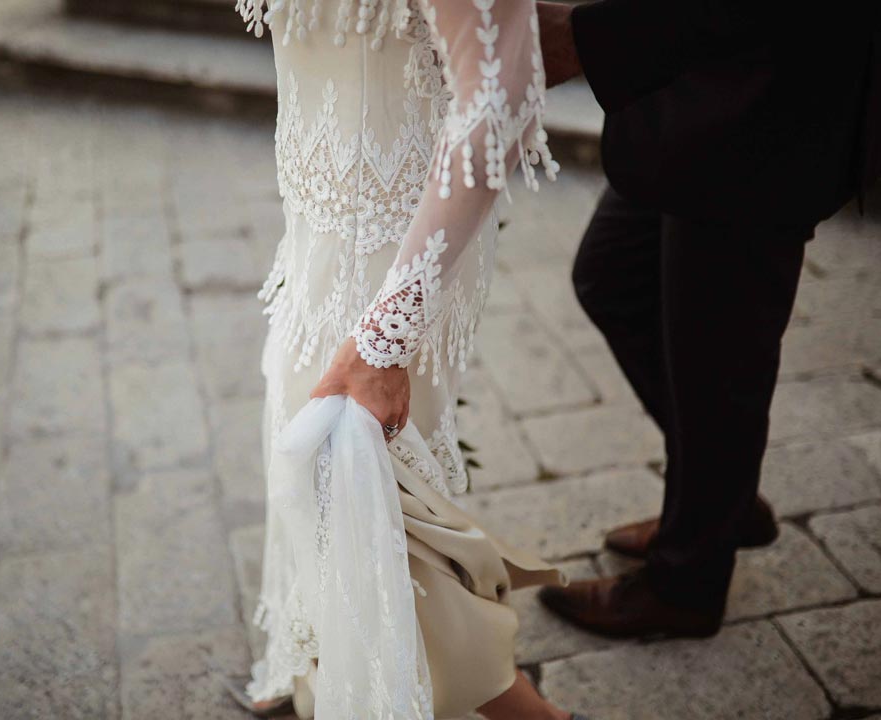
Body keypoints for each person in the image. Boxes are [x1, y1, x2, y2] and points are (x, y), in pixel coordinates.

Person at [223, 0, 592, 718]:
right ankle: (324, 667)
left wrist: (390, 333)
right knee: (318, 472)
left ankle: (522, 713)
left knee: (359, 489)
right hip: (316, 220)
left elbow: (499, 97)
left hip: (395, 250)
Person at [535, 0, 881, 637]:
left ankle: (686, 583)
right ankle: (717, 500)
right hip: (695, 84)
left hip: (771, 98)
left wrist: (588, 35)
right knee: (613, 276)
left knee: (717, 356)